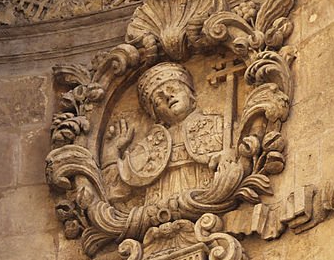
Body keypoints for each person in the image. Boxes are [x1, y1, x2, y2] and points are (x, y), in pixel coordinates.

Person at [101, 61, 246, 211]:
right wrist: (113, 151)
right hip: (160, 216)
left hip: (211, 205)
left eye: (173, 89)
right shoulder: (150, 145)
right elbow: (118, 188)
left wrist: (232, 157)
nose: (168, 96)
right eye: (158, 99)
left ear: (192, 95)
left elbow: (245, 151)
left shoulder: (219, 125)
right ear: (156, 115)